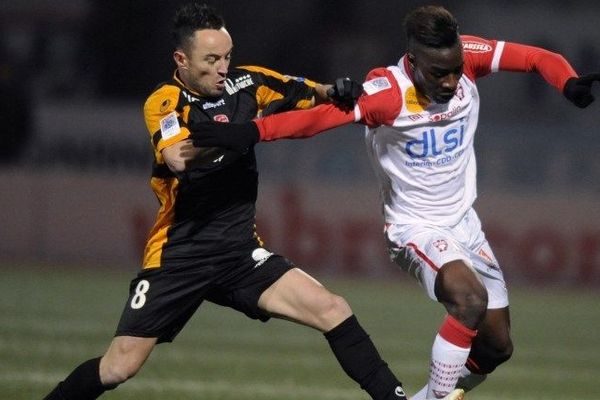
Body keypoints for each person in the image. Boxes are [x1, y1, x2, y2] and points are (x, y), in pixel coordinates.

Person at [189, 5, 599, 400]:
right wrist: (250, 132)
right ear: (413, 61)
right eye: (438, 73)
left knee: (497, 348)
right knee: (468, 300)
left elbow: (535, 57)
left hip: (465, 225)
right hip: (414, 228)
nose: (450, 82)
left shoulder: (467, 57)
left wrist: (567, 81)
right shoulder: (387, 94)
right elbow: (317, 119)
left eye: (455, 71)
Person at [42, 2, 411, 400]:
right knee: (118, 367)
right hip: (179, 254)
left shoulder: (248, 83)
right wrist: (240, 134)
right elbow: (177, 157)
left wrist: (338, 90)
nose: (222, 68)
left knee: (332, 309)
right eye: (211, 59)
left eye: (227, 57)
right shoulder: (166, 102)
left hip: (238, 252)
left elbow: (308, 91)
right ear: (181, 60)